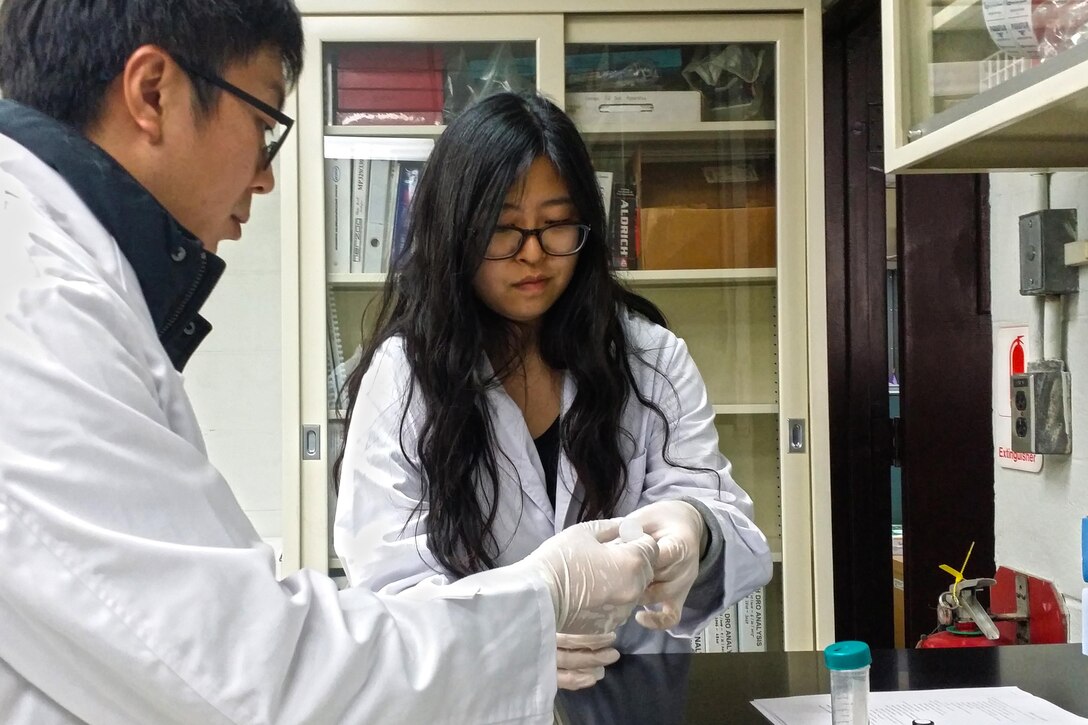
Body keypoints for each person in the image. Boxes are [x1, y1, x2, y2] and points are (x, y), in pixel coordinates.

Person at [0, 3, 661, 723]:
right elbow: (248, 675)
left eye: (558, 224)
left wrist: (691, 530)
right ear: (153, 93)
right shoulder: (35, 306)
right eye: (264, 125)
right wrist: (540, 603)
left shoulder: (63, 278)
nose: (265, 179)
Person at [332, 91, 774, 691]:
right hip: (476, 689)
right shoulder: (405, 374)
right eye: (504, 229)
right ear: (454, 232)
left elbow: (736, 532)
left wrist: (694, 526)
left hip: (628, 687)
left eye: (556, 224)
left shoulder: (649, 357)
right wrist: (515, 630)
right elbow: (386, 582)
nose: (534, 254)